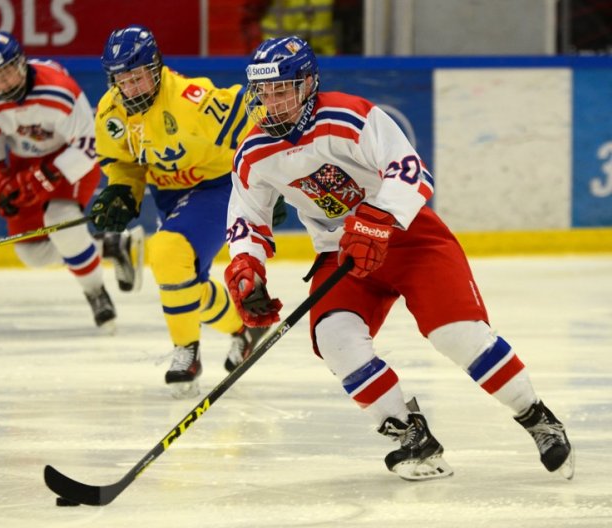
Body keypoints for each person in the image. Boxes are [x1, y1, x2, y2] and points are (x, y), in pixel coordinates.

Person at [224, 36, 574, 480]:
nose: (273, 103)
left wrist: (376, 218)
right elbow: (247, 221)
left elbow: (411, 170)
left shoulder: (350, 115)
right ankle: (411, 435)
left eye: (284, 89)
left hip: (411, 240)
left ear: (309, 83)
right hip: (342, 255)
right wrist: (246, 268)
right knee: (334, 338)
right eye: (265, 93)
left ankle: (537, 417)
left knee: (457, 335)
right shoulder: (254, 152)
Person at [91, 25, 285, 397]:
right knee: (185, 283)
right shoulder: (110, 113)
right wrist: (121, 191)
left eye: (137, 77)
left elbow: (254, 124)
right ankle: (242, 329)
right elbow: (124, 164)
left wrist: (268, 186)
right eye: (121, 80)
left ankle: (187, 352)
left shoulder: (191, 101)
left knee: (166, 253)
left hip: (218, 187)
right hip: (173, 198)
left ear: (156, 68)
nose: (129, 88)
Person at [0, 31, 142, 330]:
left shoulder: (59, 91)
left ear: (21, 64)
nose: (1, 84)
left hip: (71, 158)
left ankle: (94, 291)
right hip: (25, 162)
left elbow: (90, 145)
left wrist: (42, 178)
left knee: (59, 216)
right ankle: (111, 244)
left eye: (6, 73)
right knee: (32, 254)